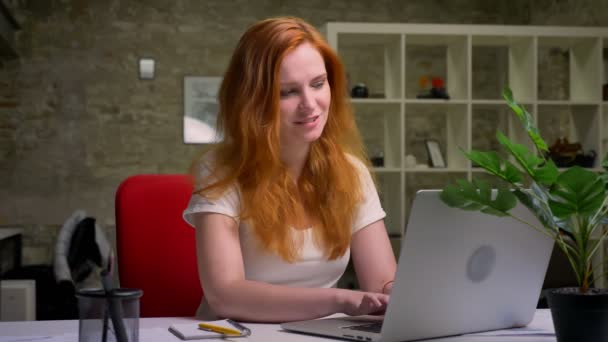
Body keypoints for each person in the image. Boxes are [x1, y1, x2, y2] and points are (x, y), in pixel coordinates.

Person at [183, 16, 397, 323]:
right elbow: (224, 295)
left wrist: (407, 291)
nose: (310, 104)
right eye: (287, 92)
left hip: (318, 333)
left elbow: (382, 284)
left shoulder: (352, 172)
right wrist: (340, 300)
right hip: (234, 333)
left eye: (318, 84)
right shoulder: (220, 170)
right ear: (252, 102)